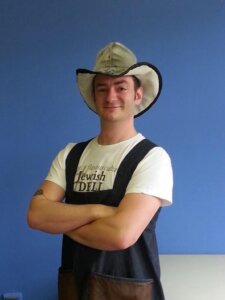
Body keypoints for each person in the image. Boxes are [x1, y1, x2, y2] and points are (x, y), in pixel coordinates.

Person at [27, 42, 173, 300]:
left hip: (129, 292)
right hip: (75, 288)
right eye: (102, 88)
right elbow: (36, 214)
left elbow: (121, 235)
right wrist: (98, 211)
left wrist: (61, 222)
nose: (111, 96)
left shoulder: (152, 158)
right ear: (93, 96)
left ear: (137, 94)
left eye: (121, 87)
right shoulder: (70, 154)